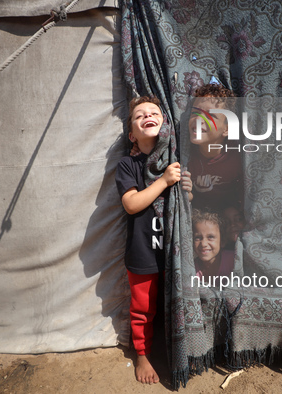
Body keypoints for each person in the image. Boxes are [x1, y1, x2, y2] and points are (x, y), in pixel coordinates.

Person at [115, 96, 181, 384]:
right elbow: (131, 204)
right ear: (132, 134)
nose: (147, 116)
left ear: (164, 123)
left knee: (177, 302)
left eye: (154, 113)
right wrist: (164, 181)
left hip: (174, 250)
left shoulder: (175, 160)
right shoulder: (128, 165)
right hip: (143, 252)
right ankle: (141, 354)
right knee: (143, 309)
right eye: (139, 115)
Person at [181, 83, 242, 212]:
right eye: (195, 112)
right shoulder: (184, 154)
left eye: (211, 116)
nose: (199, 119)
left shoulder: (238, 157)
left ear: (227, 129)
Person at [192, 209, 234, 279]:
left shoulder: (233, 260)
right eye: (197, 238)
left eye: (210, 237)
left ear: (222, 241)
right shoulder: (191, 268)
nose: (203, 244)